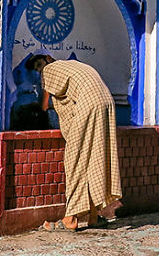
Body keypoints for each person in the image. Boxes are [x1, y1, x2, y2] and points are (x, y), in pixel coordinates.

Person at [27, 54, 122, 231]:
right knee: (96, 157)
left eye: (39, 65)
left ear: (48, 59)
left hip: (90, 104)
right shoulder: (72, 65)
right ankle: (94, 216)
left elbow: (45, 106)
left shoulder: (49, 71)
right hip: (107, 102)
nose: (40, 70)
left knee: (75, 159)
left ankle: (70, 219)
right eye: (37, 68)